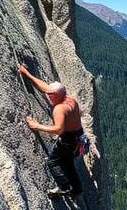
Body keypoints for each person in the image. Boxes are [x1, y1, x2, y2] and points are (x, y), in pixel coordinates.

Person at [17, 64, 84, 199]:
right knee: (67, 163)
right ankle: (77, 189)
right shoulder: (68, 98)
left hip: (68, 140)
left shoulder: (60, 108)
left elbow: (58, 129)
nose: (48, 96)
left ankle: (64, 188)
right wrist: (27, 74)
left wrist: (36, 126)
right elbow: (45, 87)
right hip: (77, 137)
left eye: (50, 95)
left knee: (52, 161)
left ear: (56, 95)